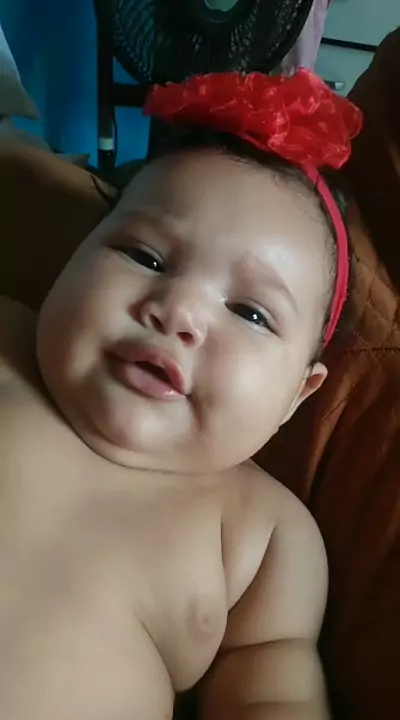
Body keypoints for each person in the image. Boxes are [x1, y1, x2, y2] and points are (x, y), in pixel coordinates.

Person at [0, 69, 362, 720]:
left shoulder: (265, 535)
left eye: (251, 313)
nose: (179, 311)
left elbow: (272, 695)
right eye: (144, 256)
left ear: (297, 396)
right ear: (72, 259)